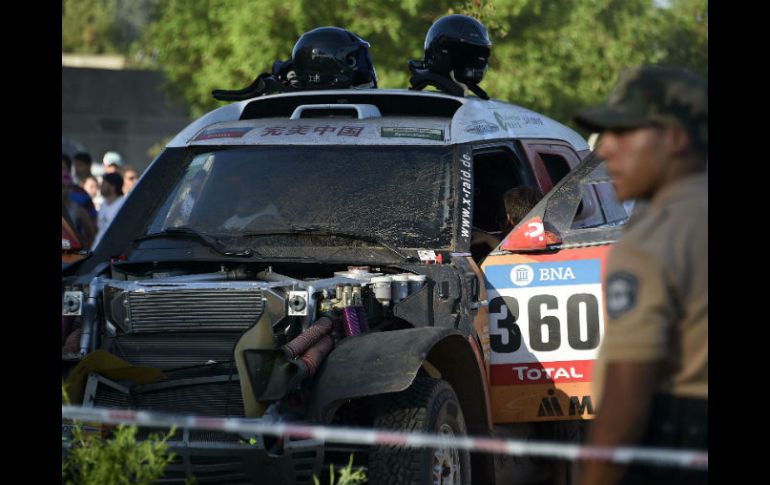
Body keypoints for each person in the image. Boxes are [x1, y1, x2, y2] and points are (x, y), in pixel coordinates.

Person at [573, 65, 707, 485]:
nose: (606, 149)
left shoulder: (654, 237)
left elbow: (627, 391)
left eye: (623, 132)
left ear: (676, 138)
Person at [472, 185, 543, 251]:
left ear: (508, 219)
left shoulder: (515, 255)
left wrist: (489, 240)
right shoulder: (550, 238)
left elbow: (514, 260)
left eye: (499, 218)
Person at [62, 170, 96, 249]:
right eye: (63, 186)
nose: (66, 190)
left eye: (69, 186)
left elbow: (91, 234)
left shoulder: (78, 210)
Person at [93, 172, 125, 247]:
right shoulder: (104, 203)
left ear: (112, 187)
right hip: (97, 248)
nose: (100, 186)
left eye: (104, 183)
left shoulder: (122, 204)